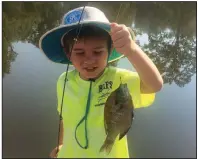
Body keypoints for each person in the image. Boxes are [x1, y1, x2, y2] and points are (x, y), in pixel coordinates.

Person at [39, 6, 163, 158]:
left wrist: (132, 50)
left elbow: (155, 85)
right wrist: (61, 144)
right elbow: (65, 117)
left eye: (97, 52)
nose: (89, 60)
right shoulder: (63, 81)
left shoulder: (120, 80)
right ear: (67, 53)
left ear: (109, 51)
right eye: (79, 52)